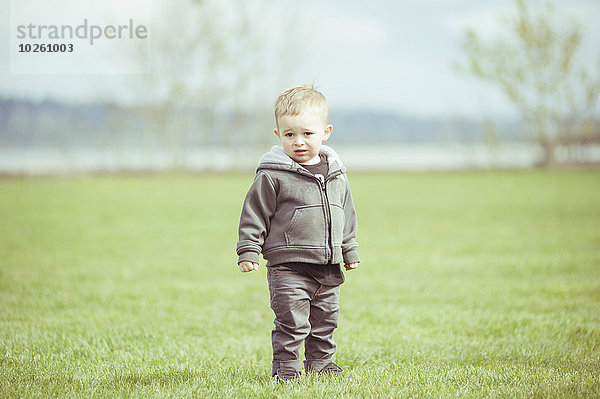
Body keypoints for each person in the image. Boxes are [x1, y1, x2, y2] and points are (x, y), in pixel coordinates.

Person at [236, 85, 360, 382]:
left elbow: (345, 213)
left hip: (328, 267)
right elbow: (254, 213)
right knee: (292, 323)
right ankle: (286, 369)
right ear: (278, 135)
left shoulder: (336, 174)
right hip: (288, 267)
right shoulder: (273, 174)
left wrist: (349, 250)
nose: (299, 141)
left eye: (307, 133)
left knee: (325, 322)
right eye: (290, 134)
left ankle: (321, 364)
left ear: (325, 131)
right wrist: (248, 249)